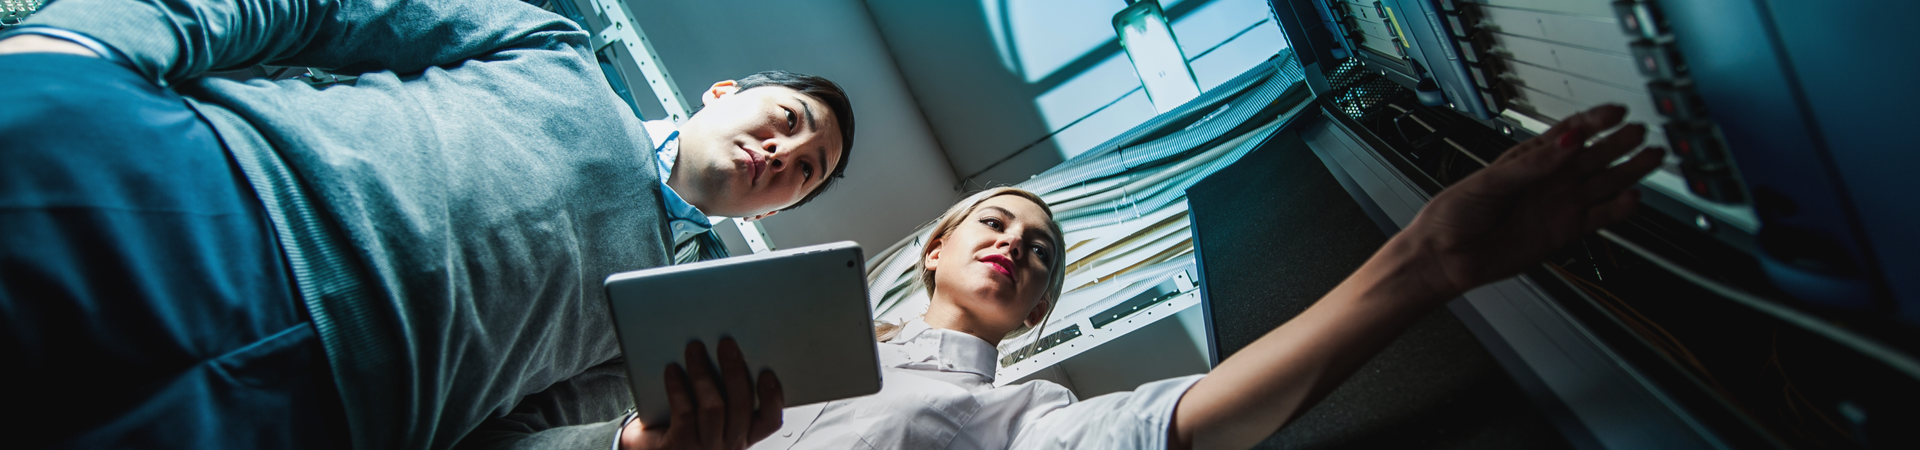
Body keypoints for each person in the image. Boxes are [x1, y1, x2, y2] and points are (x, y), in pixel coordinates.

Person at [0, 0, 854, 449]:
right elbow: (324, 8)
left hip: (303, 420)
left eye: (806, 169)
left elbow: (503, 442)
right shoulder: (556, 48)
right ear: (723, 92)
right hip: (198, 189)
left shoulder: (664, 328)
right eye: (786, 118)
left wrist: (628, 447)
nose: (785, 150)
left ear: (777, 210)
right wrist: (87, 41)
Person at [616, 104, 1664, 450]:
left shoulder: (1022, 415)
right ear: (934, 244)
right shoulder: (779, 331)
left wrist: (1426, 262)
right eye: (996, 221)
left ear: (1039, 309)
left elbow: (1186, 423)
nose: (1017, 245)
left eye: (1042, 255)